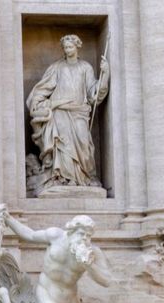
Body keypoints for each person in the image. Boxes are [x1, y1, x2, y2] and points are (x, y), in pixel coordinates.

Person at [2, 213, 112, 303]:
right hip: (46, 294)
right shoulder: (55, 236)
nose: (84, 238)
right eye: (81, 234)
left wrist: (89, 265)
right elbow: (30, 235)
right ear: (71, 231)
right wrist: (8, 218)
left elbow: (106, 281)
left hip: (71, 300)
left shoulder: (93, 253)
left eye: (88, 235)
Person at [26, 34, 109, 189]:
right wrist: (39, 103)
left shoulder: (85, 68)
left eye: (70, 47)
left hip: (79, 112)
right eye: (65, 47)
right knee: (63, 146)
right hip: (60, 113)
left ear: (77, 47)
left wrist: (105, 75)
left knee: (84, 144)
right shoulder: (57, 67)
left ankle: (85, 177)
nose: (67, 49)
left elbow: (94, 94)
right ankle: (63, 178)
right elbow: (42, 89)